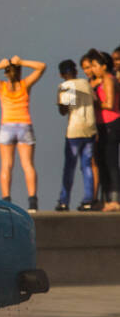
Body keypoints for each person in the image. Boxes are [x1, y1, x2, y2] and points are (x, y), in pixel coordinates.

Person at [0, 55, 45, 211]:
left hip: (7, 126)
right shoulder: (25, 85)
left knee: (6, 165)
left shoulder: (2, 86)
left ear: (6, 73)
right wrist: (21, 62)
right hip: (24, 125)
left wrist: (0, 65)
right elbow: (41, 66)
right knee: (28, 165)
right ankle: (32, 202)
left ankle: (6, 200)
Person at [81, 49, 120, 212]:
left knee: (111, 162)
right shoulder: (96, 82)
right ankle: (104, 199)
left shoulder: (109, 79)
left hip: (111, 122)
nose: (93, 69)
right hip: (100, 124)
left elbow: (109, 104)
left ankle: (115, 199)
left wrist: (93, 102)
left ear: (104, 66)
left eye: (95, 66)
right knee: (100, 161)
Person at [55, 60, 96, 210]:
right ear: (76, 71)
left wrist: (61, 101)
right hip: (90, 128)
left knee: (70, 167)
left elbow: (65, 109)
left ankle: (64, 201)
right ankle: (88, 200)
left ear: (61, 74)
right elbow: (95, 101)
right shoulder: (86, 84)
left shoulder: (66, 86)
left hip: (74, 131)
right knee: (87, 165)